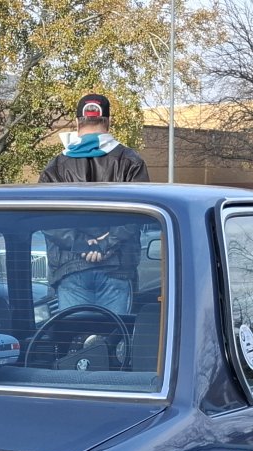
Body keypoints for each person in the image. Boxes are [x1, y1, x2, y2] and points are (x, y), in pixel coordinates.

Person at [39, 93, 150, 315]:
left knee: (75, 344)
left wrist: (82, 244)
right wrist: (105, 244)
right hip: (117, 267)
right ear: (108, 122)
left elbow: (46, 217)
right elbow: (140, 213)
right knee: (115, 342)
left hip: (70, 268)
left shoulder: (55, 167)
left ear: (77, 121)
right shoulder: (130, 161)